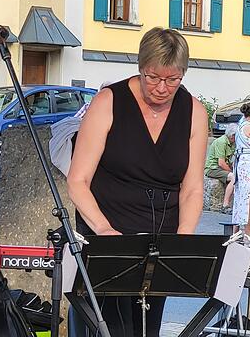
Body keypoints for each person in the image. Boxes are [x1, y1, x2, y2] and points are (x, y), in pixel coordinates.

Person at [66, 27, 209, 337]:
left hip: (159, 242)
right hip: (108, 235)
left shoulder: (194, 112)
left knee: (147, 328)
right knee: (110, 328)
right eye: (153, 77)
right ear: (140, 68)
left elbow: (193, 187)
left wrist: (183, 239)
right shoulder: (109, 101)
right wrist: (104, 230)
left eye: (172, 80)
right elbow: (78, 180)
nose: (161, 87)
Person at [232, 102, 250, 235]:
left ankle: (236, 230)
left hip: (240, 160)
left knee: (240, 193)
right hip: (248, 160)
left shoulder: (239, 126)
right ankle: (247, 231)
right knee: (248, 194)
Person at [204, 123, 237, 210]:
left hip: (221, 168)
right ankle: (225, 205)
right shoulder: (221, 142)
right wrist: (231, 171)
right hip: (213, 168)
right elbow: (221, 163)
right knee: (234, 177)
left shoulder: (232, 143)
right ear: (232, 135)